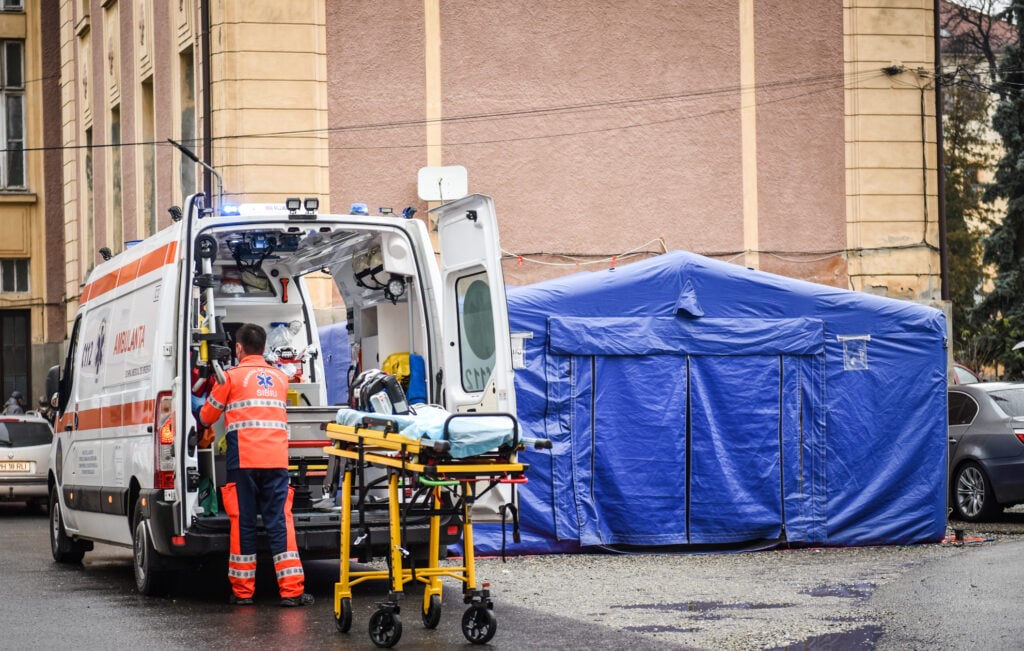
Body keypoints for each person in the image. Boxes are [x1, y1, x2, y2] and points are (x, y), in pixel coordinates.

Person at [197, 323, 314, 607]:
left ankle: (243, 592)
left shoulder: (229, 378)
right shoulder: (280, 378)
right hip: (276, 461)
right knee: (280, 522)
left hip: (244, 462)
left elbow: (206, 417)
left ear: (238, 348)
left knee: (244, 523)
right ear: (263, 347)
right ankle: (291, 591)